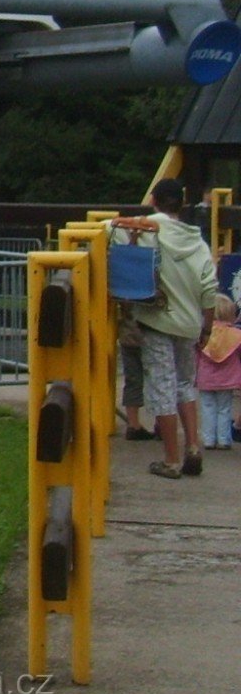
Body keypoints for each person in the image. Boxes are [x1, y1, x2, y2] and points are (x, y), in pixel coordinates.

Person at [116, 178, 220, 479]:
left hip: (156, 319)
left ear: (153, 200)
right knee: (186, 384)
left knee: (162, 387)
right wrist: (207, 327)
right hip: (189, 324)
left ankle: (171, 459)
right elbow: (209, 287)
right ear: (183, 204)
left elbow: (118, 251)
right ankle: (193, 447)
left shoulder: (142, 230)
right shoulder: (197, 241)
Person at [195, 297, 241, 450]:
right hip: (228, 379)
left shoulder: (202, 333)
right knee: (224, 408)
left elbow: (195, 355)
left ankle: (208, 439)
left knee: (207, 408)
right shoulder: (235, 335)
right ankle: (224, 440)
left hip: (205, 379)